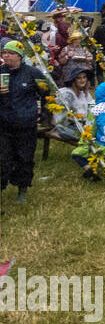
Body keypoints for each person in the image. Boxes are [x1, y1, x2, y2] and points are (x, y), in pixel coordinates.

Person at [0, 41, 47, 203]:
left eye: (10, 53)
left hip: (26, 125)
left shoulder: (33, 73)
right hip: (4, 124)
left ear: (19, 56)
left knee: (24, 158)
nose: (6, 55)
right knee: (3, 158)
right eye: (4, 52)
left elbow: (48, 93)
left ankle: (22, 190)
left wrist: (44, 114)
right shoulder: (0, 72)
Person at [53, 67, 96, 142]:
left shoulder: (84, 93)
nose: (82, 80)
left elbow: (92, 108)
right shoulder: (67, 93)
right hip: (67, 125)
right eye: (79, 78)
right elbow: (64, 116)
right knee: (85, 136)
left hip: (82, 124)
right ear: (73, 80)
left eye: (84, 77)